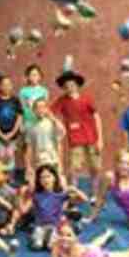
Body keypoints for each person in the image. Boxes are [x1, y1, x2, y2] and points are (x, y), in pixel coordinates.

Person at [51, 69, 104, 202]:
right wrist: (57, 122)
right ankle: (74, 195)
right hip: (75, 140)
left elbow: (97, 117)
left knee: (95, 167)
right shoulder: (62, 100)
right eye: (66, 85)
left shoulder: (87, 99)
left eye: (72, 84)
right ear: (64, 87)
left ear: (77, 85)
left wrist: (100, 139)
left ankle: (94, 194)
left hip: (92, 139)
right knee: (74, 169)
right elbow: (49, 112)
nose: (69, 87)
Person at [19, 164, 87, 250]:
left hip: (55, 226)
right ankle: (40, 236)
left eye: (48, 176)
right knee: (37, 246)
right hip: (40, 227)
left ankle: (70, 229)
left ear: (54, 178)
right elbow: (23, 210)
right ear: (39, 180)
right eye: (42, 177)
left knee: (51, 246)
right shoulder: (36, 195)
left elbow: (84, 199)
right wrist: (21, 196)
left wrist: (75, 190)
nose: (45, 180)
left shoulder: (60, 194)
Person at [0, 76, 23, 176]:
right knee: (1, 157)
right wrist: (1, 134)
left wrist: (12, 133)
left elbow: (19, 117)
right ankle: (0, 178)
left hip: (13, 136)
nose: (6, 87)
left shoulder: (15, 100)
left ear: (11, 86)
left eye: (8, 84)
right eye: (3, 84)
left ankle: (11, 178)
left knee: (10, 156)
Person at [24, 99, 66, 178]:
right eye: (38, 107)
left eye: (43, 107)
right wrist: (28, 166)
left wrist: (60, 164)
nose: (40, 110)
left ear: (47, 109)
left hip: (53, 160)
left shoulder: (52, 123)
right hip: (39, 161)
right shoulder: (30, 126)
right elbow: (29, 148)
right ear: (34, 110)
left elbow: (61, 137)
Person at [18, 64, 49, 131]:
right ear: (28, 77)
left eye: (36, 75)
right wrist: (21, 124)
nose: (34, 77)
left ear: (40, 76)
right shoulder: (23, 91)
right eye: (32, 75)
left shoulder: (44, 91)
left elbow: (46, 108)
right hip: (28, 121)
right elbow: (21, 109)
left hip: (40, 122)